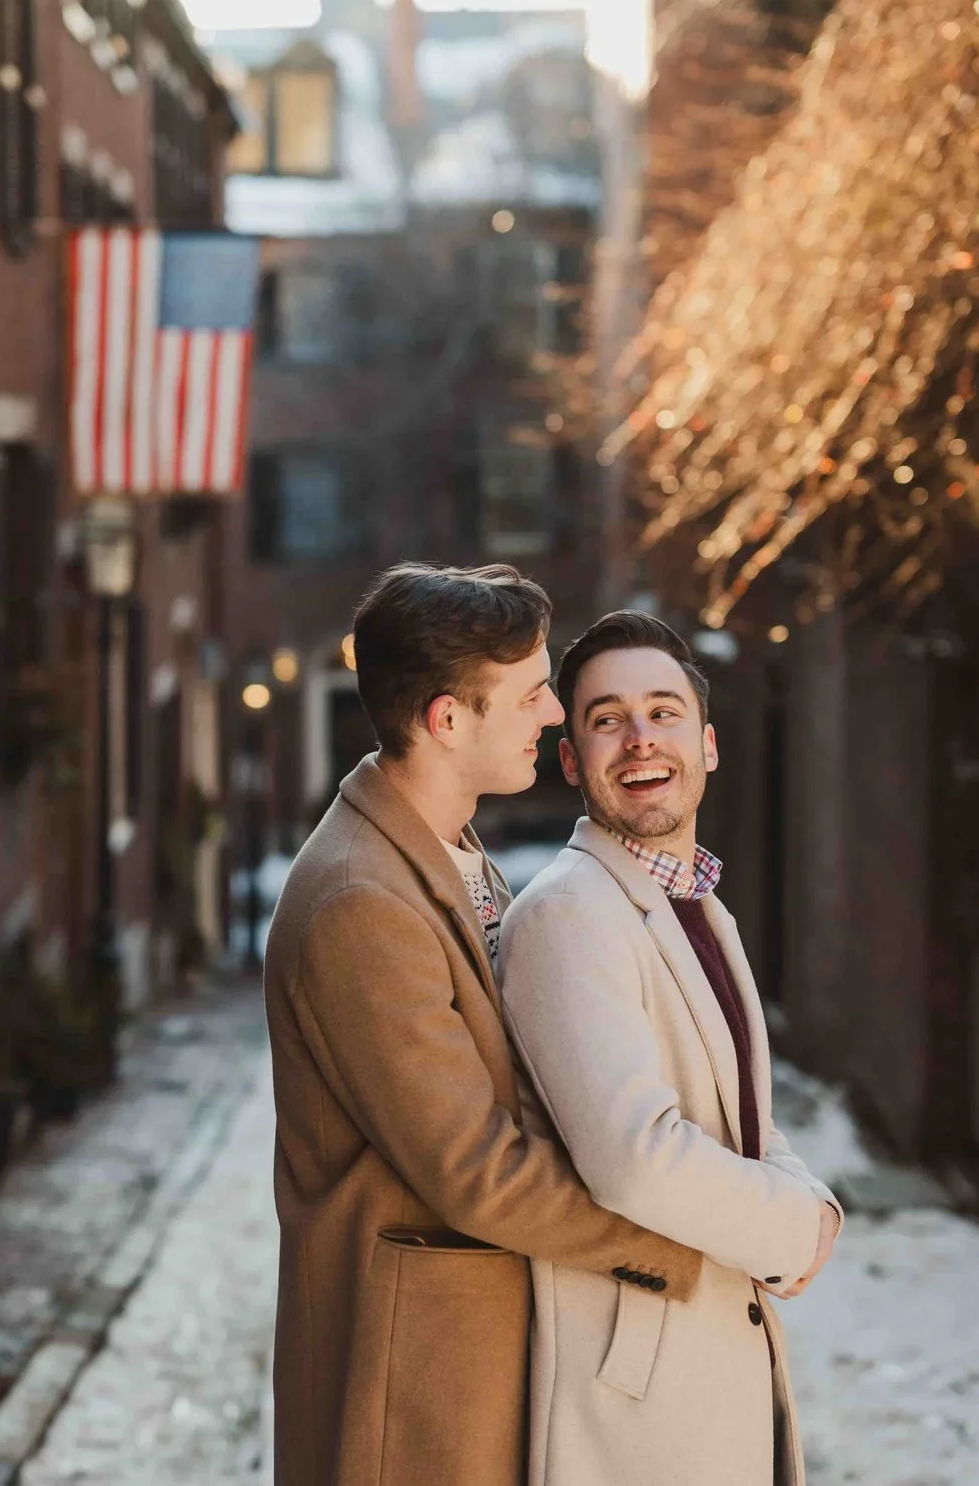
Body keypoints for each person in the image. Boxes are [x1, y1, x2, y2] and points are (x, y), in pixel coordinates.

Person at [264, 565, 704, 1486]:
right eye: (535, 692)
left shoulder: (447, 852)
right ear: (447, 720)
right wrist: (672, 1236)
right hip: (415, 1387)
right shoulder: (359, 902)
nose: (554, 714)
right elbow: (476, 1169)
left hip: (480, 1361)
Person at [497, 611, 841, 1486]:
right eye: (606, 719)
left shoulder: (699, 905)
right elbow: (636, 1157)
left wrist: (808, 1193)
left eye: (664, 711)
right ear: (570, 759)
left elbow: (735, 1117)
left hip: (718, 1363)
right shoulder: (568, 912)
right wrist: (797, 1227)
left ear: (708, 743)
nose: (640, 739)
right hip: (639, 1406)